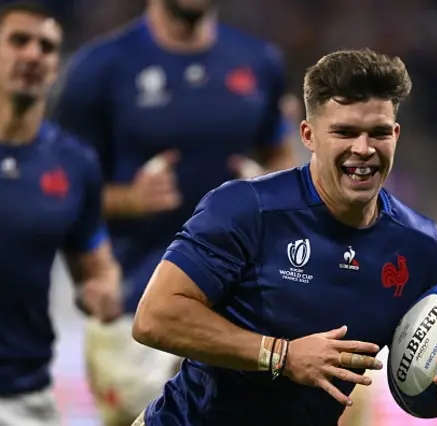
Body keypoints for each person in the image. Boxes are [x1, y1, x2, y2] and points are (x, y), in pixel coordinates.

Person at [131, 48, 437, 426]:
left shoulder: (417, 244)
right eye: (345, 132)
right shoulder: (246, 209)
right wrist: (281, 356)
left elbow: (421, 384)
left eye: (379, 133)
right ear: (308, 135)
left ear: (396, 135)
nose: (364, 149)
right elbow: (154, 317)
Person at [50, 0, 297, 424]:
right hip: (135, 310)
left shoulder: (259, 62)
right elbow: (55, 190)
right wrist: (129, 198)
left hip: (239, 310)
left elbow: (280, 156)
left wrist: (268, 182)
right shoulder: (99, 69)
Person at [0, 3, 122, 425]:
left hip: (27, 389)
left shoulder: (75, 164)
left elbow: (96, 264)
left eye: (47, 47)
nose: (33, 54)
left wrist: (102, 291)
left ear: (56, 67)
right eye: (19, 41)